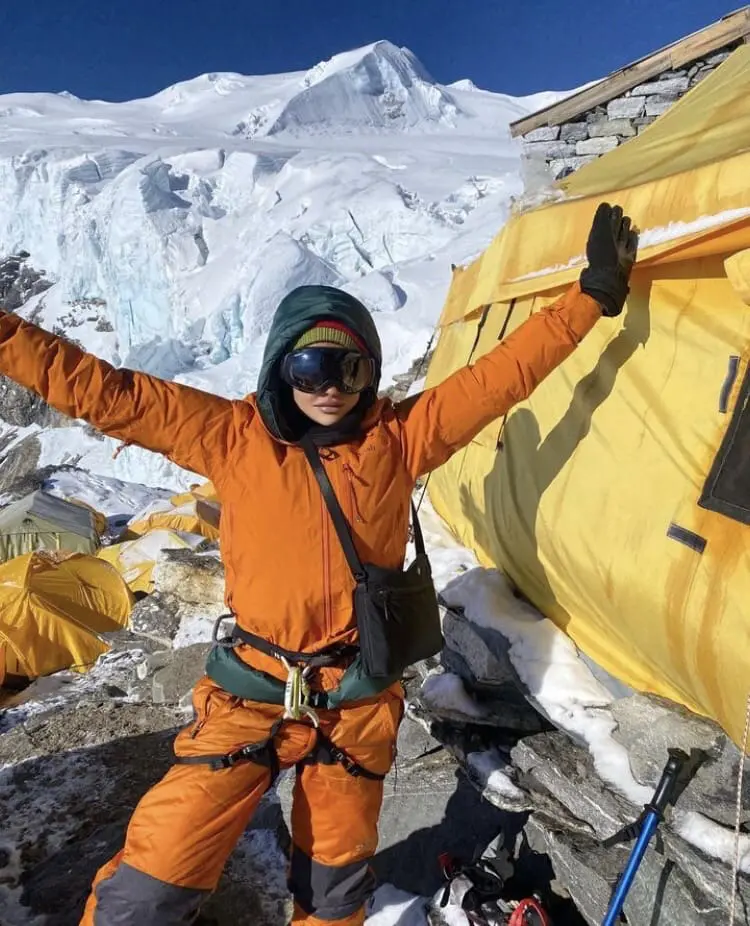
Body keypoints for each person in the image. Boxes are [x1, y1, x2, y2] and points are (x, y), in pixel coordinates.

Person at [0, 203, 637, 925]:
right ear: (281, 367)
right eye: (310, 364)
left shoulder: (400, 440)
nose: (330, 384)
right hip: (248, 695)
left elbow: (503, 376)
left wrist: (592, 296)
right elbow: (102, 390)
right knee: (146, 890)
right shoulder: (230, 436)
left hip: (355, 703)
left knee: (334, 898)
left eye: (350, 365)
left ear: (370, 372)